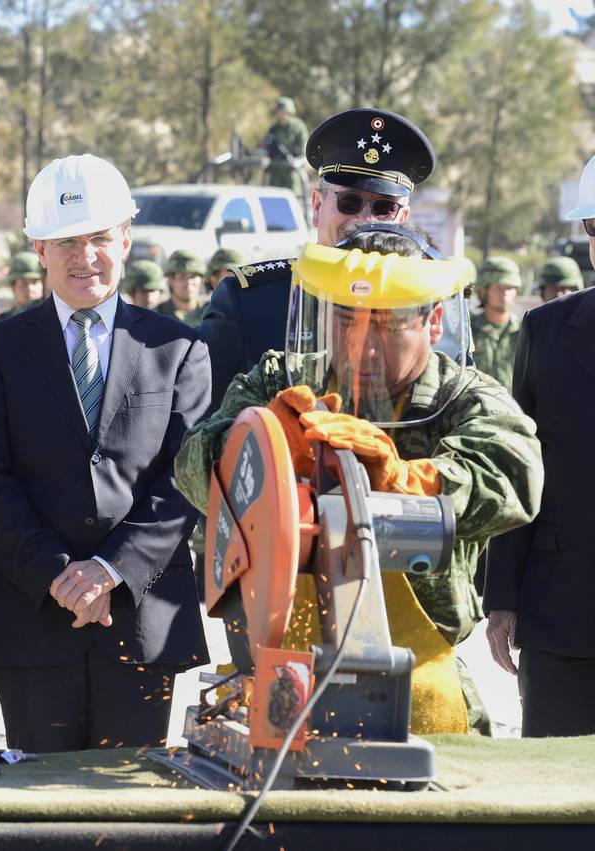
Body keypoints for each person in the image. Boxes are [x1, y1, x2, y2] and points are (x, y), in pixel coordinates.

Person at [176, 224, 542, 734]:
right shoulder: (280, 380)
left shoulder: (465, 397)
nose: (363, 347)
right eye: (345, 321)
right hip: (281, 655)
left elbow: (513, 476)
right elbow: (192, 466)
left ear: (434, 322)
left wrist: (405, 480)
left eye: (388, 327)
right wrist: (263, 445)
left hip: (420, 669)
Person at [0, 154, 210, 752]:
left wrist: (110, 571)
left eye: (99, 238)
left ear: (125, 241)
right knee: (39, 798)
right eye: (67, 241)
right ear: (39, 249)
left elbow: (186, 479)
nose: (85, 256)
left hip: (143, 617)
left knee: (129, 799)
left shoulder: (179, 349)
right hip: (31, 619)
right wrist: (58, 575)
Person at [200, 108, 435, 413]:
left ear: (402, 219)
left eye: (384, 208)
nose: (365, 220)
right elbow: (208, 422)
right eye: (349, 201)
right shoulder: (248, 302)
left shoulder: (427, 303)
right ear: (317, 206)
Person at [485, 153, 595, 737]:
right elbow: (519, 468)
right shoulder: (547, 330)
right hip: (560, 614)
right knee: (551, 777)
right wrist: (502, 597)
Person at [469, 256, 522, 389]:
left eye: (509, 288)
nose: (504, 294)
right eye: (498, 288)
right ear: (483, 291)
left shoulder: (525, 332)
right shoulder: (469, 331)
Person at [261, 96, 309, 193]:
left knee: (292, 195)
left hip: (292, 169)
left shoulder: (298, 127)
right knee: (274, 195)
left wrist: (298, 158)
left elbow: (303, 146)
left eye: (285, 111)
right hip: (276, 168)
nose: (282, 114)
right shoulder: (274, 129)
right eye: (280, 111)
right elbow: (268, 145)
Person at [157, 248, 207, 325]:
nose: (189, 282)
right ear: (170, 280)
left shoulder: (211, 315)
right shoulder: (156, 316)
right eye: (182, 276)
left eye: (194, 276)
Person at [0, 251, 45, 323]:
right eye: (24, 283)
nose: (30, 288)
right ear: (12, 286)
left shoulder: (53, 320)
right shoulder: (1, 324)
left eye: (35, 282)